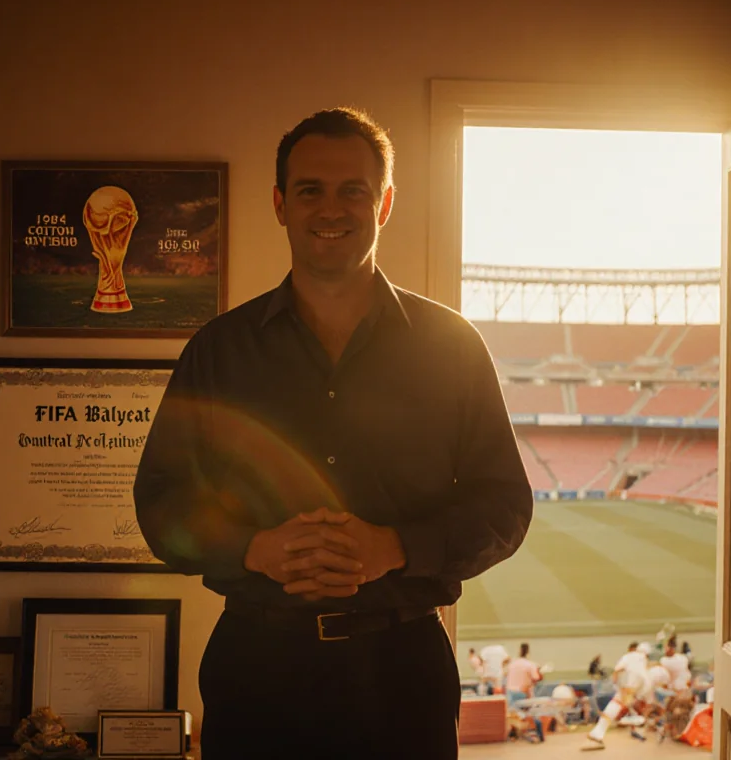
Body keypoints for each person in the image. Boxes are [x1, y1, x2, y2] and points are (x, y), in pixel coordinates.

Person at [133, 107, 534, 759]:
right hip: (255, 669)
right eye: (310, 189)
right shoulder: (219, 350)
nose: (331, 208)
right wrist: (254, 548)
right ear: (279, 204)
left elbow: (506, 507)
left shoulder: (453, 348)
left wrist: (395, 547)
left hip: (403, 672)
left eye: (354, 190)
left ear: (386, 203)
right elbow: (161, 502)